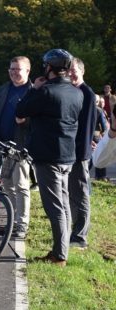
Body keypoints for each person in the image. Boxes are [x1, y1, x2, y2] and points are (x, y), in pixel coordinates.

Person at [16, 48, 83, 267]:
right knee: (63, 205)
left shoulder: (45, 92)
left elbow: (21, 110)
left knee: (54, 207)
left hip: (48, 157)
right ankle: (61, 250)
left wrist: (34, 89)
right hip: (67, 156)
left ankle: (59, 255)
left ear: (50, 68)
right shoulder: (77, 92)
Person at [0, 56, 33, 238]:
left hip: (20, 147)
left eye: (17, 69)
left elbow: (38, 119)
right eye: (11, 69)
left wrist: (25, 121)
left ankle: (22, 224)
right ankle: (13, 219)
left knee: (21, 185)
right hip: (1, 145)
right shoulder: (4, 89)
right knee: (6, 184)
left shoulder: (32, 92)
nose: (13, 72)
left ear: (27, 71)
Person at [67, 57, 97, 250]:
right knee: (72, 195)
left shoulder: (87, 93)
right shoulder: (72, 92)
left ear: (82, 71)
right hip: (68, 153)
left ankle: (80, 237)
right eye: (68, 70)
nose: (70, 74)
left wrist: (81, 154)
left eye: (74, 70)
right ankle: (73, 232)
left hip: (79, 154)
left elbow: (86, 128)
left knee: (81, 194)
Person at [92, 95, 109, 180]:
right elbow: (104, 127)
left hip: (84, 137)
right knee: (100, 156)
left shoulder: (83, 109)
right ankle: (100, 176)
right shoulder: (99, 111)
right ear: (97, 102)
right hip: (96, 136)